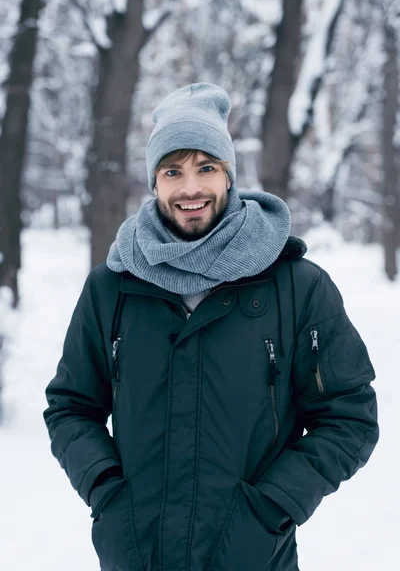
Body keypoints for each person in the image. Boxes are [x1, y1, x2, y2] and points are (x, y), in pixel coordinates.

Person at [43, 83, 379, 571]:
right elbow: (71, 407)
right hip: (138, 557)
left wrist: (270, 508)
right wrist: (108, 494)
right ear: (154, 183)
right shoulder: (110, 288)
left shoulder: (297, 287)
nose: (190, 188)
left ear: (229, 177)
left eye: (206, 168)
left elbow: (349, 416)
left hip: (252, 557)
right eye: (172, 170)